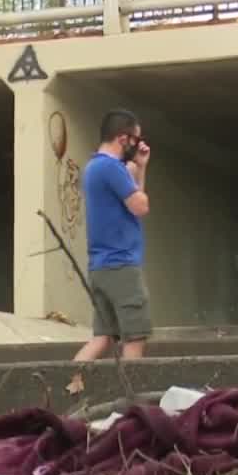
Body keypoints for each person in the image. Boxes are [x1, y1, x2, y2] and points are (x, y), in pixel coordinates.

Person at [73, 109, 153, 362]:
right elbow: (140, 206)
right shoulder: (111, 167)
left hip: (100, 268)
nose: (138, 145)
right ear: (123, 138)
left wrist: (138, 168)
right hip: (121, 265)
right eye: (136, 139)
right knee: (135, 337)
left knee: (102, 338)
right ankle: (132, 399)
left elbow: (129, 201)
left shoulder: (93, 167)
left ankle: (62, 383)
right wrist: (140, 171)